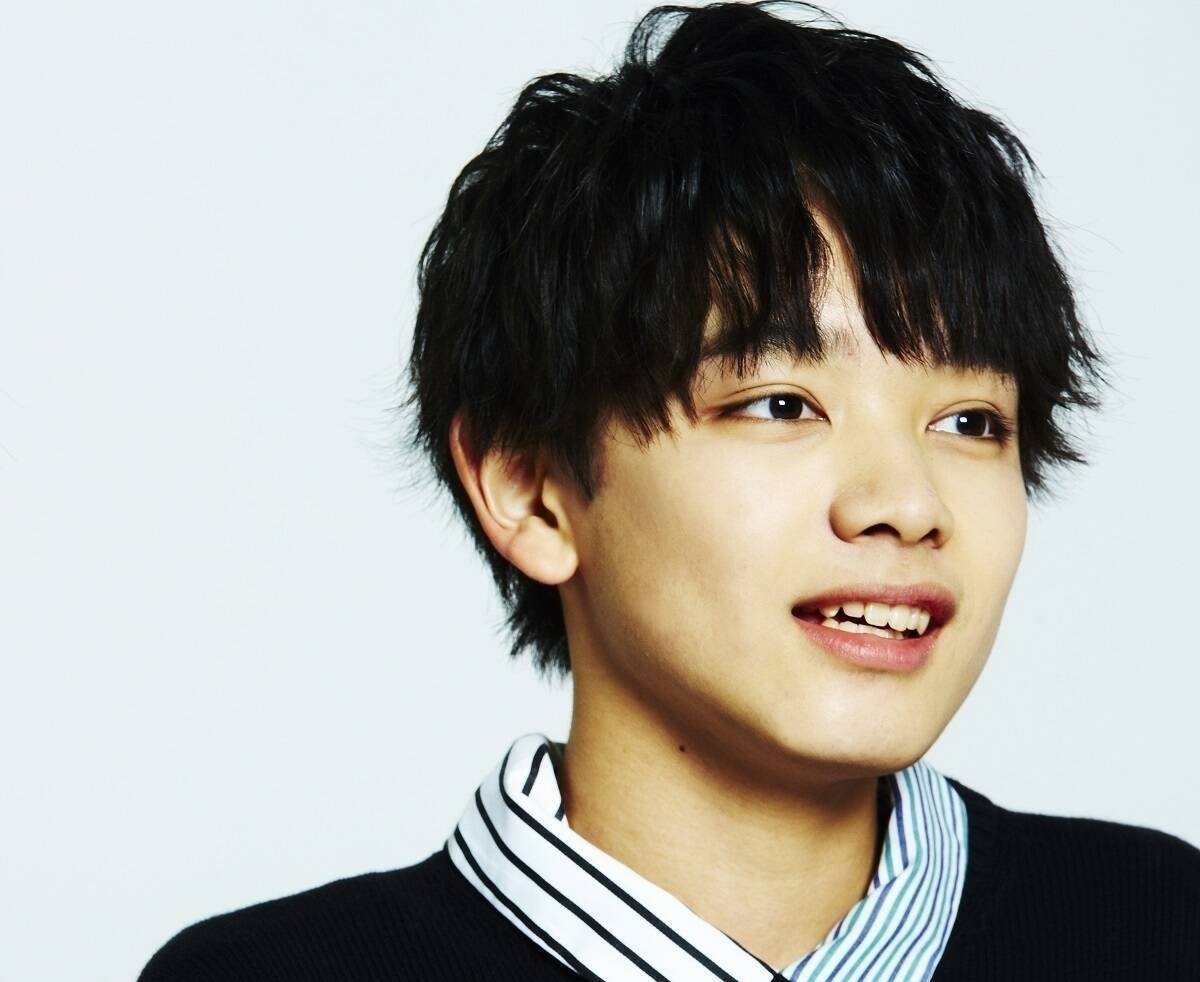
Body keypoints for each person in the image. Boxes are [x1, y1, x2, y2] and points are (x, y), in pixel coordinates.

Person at [137, 2, 1200, 979]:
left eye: (971, 423)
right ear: (532, 489)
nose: (908, 504)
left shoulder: (1156, 926)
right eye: (781, 404)